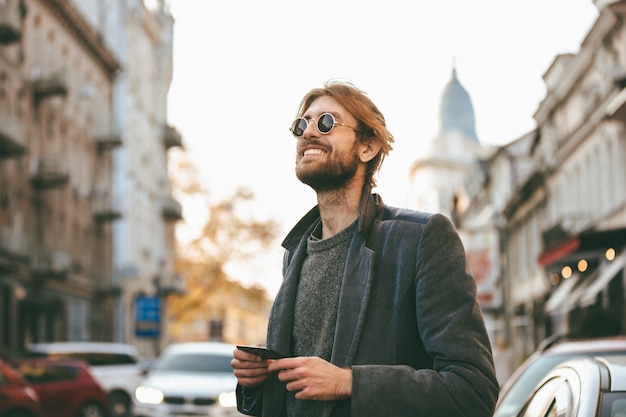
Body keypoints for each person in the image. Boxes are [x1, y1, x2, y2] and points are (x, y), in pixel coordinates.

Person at [231, 80, 498, 417]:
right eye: (302, 124)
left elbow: (473, 391)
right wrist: (257, 382)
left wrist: (350, 383)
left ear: (367, 147)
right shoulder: (294, 253)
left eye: (326, 122)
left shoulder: (421, 239)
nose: (309, 132)